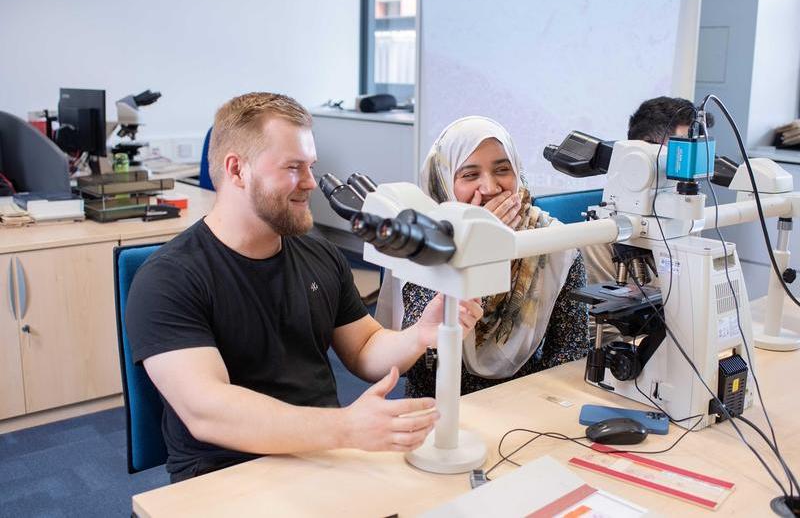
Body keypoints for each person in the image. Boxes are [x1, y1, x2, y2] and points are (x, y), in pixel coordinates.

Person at [125, 92, 483, 482]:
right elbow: (207, 410)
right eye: (294, 167)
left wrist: (420, 335)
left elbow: (364, 351)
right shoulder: (168, 278)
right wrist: (346, 427)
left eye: (311, 166)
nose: (311, 182)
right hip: (226, 474)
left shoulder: (320, 256)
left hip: (324, 456)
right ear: (237, 170)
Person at [377, 116, 589, 398]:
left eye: (502, 169)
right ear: (443, 181)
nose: (489, 187)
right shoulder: (421, 240)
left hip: (522, 401)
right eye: (469, 175)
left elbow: (569, 350)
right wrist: (481, 247)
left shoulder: (554, 242)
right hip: (439, 405)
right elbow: (423, 363)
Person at [583, 96, 716, 284]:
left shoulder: (683, 212)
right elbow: (603, 305)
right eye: (683, 150)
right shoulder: (600, 233)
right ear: (644, 148)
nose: (691, 162)